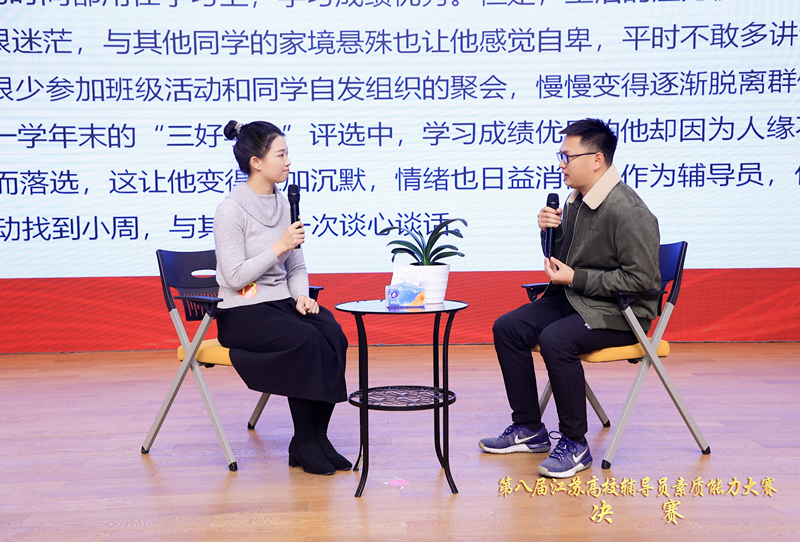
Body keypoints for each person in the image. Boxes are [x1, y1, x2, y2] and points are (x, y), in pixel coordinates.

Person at [478, 118, 660, 478]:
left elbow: (642, 280)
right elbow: (564, 260)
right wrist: (550, 232)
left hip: (621, 312)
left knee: (555, 339)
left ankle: (575, 444)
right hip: (578, 300)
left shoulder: (629, 211)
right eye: (560, 156)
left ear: (596, 160)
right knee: (508, 328)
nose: (561, 164)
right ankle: (529, 428)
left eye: (567, 156)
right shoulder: (577, 201)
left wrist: (577, 278)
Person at [213, 120, 350, 476]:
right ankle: (304, 440)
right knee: (305, 341)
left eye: (287, 153)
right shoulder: (231, 209)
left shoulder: (285, 204)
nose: (288, 161)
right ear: (256, 162)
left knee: (332, 334)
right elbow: (234, 276)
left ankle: (317, 437)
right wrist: (279, 246)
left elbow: (297, 266)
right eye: (281, 154)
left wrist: (302, 296)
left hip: (280, 304)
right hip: (242, 311)